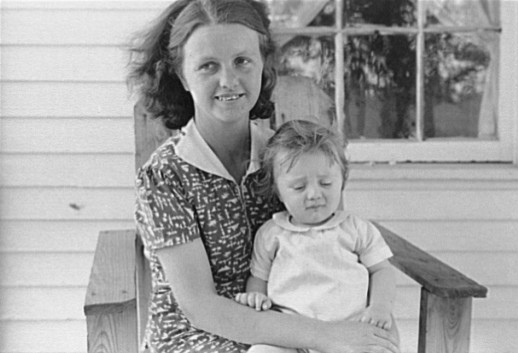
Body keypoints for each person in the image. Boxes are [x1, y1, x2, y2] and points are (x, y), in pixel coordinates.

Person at [129, 1, 400, 353]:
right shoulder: (166, 176)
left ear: (263, 65)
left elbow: (331, 241)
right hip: (195, 336)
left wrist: (371, 318)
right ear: (182, 75)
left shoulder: (289, 160)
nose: (228, 80)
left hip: (292, 323)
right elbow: (201, 308)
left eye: (242, 61)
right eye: (208, 66)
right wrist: (328, 337)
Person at [234, 120, 397, 353]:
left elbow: (381, 270)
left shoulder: (356, 229)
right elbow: (258, 278)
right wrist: (256, 296)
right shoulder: (271, 234)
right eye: (299, 187)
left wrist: (380, 306)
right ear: (278, 191)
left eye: (326, 183)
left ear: (342, 180)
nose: (314, 194)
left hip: (351, 331)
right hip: (290, 335)